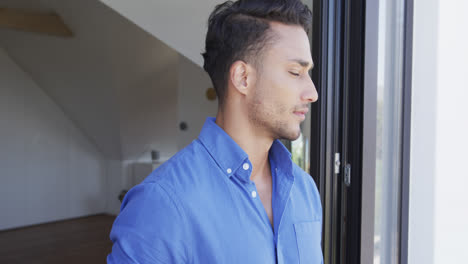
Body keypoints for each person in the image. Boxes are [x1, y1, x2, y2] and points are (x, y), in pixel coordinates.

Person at [107, 0, 322, 263]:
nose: (312, 93)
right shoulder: (161, 204)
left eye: (308, 73)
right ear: (243, 78)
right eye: (295, 72)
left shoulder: (305, 190)